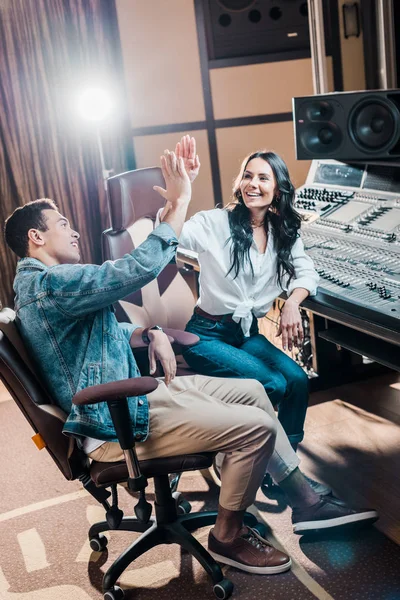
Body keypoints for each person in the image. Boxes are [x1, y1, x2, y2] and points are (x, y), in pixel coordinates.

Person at [4, 152, 377, 577]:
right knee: (254, 424)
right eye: (63, 225)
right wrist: (178, 203)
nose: (72, 233)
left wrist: (151, 334)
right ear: (36, 236)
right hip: (117, 420)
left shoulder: (44, 286)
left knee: (256, 391)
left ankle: (304, 501)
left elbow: (96, 335)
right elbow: (138, 268)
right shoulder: (53, 284)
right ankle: (228, 535)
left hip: (132, 397)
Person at [158, 136, 324, 493]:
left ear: (277, 188)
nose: (253, 184)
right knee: (273, 383)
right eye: (248, 176)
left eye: (263, 178)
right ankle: (258, 463)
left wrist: (293, 302)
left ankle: (282, 468)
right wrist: (180, 194)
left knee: (296, 380)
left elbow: (307, 272)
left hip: (246, 337)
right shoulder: (216, 222)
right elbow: (172, 237)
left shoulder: (284, 231)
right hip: (205, 334)